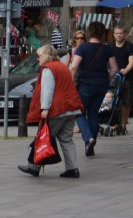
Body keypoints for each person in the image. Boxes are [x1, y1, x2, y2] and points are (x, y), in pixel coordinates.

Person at [19, 44, 83, 179]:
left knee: (44, 137)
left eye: (40, 56)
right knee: (67, 140)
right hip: (71, 108)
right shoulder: (63, 67)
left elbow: (48, 90)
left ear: (46, 56)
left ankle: (33, 167)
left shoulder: (48, 69)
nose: (38, 59)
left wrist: (45, 108)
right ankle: (72, 169)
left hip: (57, 109)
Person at [69, 21, 117, 158]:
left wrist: (73, 81)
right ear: (102, 33)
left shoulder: (83, 48)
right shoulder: (107, 49)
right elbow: (114, 68)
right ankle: (90, 145)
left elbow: (74, 66)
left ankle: (88, 138)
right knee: (94, 113)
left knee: (78, 111)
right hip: (101, 85)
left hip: (85, 85)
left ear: (89, 32)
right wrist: (106, 78)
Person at [110, 25, 133, 132]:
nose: (119, 35)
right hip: (114, 77)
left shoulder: (129, 46)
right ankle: (115, 123)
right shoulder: (110, 46)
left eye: (121, 33)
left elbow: (131, 62)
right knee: (113, 100)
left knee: (126, 102)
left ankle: (123, 123)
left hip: (127, 77)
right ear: (114, 34)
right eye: (117, 33)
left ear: (124, 34)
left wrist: (125, 70)